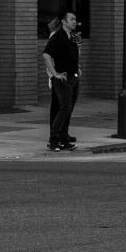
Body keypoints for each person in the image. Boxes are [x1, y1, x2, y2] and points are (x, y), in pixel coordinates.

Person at [42, 11, 81, 152]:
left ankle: (63, 139)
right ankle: (55, 137)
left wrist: (78, 67)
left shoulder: (72, 37)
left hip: (74, 78)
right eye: (72, 19)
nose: (74, 21)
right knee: (63, 108)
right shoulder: (57, 36)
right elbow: (46, 55)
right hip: (62, 79)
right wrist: (54, 74)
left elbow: (70, 56)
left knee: (68, 109)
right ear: (64, 22)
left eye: (75, 19)